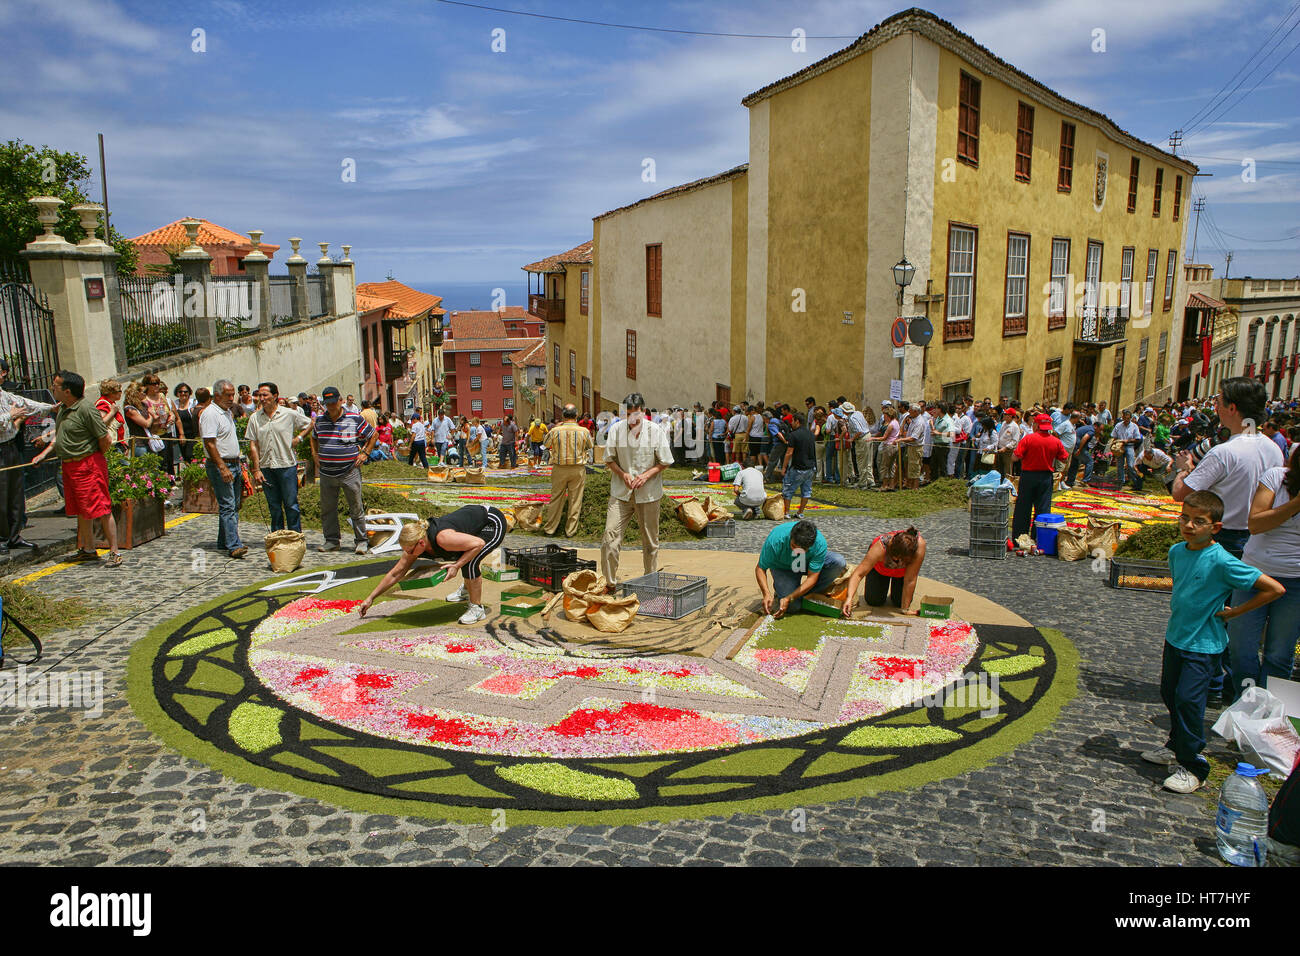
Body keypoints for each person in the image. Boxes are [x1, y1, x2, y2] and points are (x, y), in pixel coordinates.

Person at [1142, 490, 1283, 793]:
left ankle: (1194, 765)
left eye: (1199, 521)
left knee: (1189, 700)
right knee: (1170, 694)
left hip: (1204, 646)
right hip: (1176, 638)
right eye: (1185, 518)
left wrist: (1235, 612)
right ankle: (1175, 743)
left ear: (1215, 527)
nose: (1189, 525)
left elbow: (1274, 589)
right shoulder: (1177, 552)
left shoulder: (1222, 561)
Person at [1173, 378, 1283, 702]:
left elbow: (1183, 492)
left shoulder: (1225, 452)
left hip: (1226, 537)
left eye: (1219, 402)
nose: (1216, 407)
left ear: (1232, 409)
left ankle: (1213, 683)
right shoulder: (1273, 448)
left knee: (1213, 613)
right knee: (1244, 619)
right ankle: (1240, 687)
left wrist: (1183, 469)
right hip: (1261, 537)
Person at [356, 505, 508, 626]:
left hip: (491, 522)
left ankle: (477, 608)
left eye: (410, 550)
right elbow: (396, 572)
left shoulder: (443, 538)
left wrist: (456, 566)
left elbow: (478, 544)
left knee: (469, 563)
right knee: (464, 557)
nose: (409, 554)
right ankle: (468, 588)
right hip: (470, 522)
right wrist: (371, 598)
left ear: (421, 543)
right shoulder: (416, 545)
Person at [1231, 444, 1300, 693]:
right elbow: (1255, 524)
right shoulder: (1276, 478)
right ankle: (1245, 707)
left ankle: (1268, 720)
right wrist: (1296, 504)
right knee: (1241, 648)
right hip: (1255, 575)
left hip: (1296, 580)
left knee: (1280, 655)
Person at [600, 393, 673, 585]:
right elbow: (609, 459)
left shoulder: (655, 431)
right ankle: (610, 583)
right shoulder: (616, 430)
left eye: (636, 413)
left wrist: (646, 475)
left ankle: (650, 580)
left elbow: (665, 461)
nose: (633, 418)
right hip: (621, 492)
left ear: (643, 411)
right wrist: (623, 474)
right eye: (629, 413)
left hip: (648, 493)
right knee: (610, 536)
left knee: (650, 542)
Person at [52, 370, 120, 567]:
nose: (52, 389)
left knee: (101, 507)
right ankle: (88, 549)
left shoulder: (86, 409)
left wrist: (93, 457)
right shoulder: (64, 408)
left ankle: (114, 552)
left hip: (88, 464)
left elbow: (104, 438)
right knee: (82, 509)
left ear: (67, 391)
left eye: (55, 386)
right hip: (71, 465)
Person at [312, 386, 376, 554]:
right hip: (327, 472)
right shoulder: (320, 420)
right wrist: (315, 455)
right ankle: (332, 541)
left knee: (356, 507)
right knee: (327, 509)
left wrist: (365, 453)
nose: (331, 407)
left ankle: (361, 540)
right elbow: (314, 438)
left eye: (334, 402)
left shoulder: (354, 418)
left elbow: (373, 435)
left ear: (340, 401)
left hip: (349, 471)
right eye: (328, 404)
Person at [0, 359, 56, 551]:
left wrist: (50, 407)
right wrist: (11, 415)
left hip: (10, 447)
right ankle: (2, 537)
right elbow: (7, 417)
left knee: (15, 492)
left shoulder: (4, 395)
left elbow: (27, 405)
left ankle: (14, 535)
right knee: (1, 493)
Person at [246, 382, 312, 533]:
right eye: (259, 395)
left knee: (291, 505)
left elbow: (310, 423)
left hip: (286, 466)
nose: (261, 398)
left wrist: (299, 439)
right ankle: (278, 537)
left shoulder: (288, 414)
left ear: (275, 396)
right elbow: (253, 445)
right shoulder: (255, 418)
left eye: (265, 395)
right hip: (266, 468)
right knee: (274, 506)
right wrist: (256, 469)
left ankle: (295, 537)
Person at [755, 518, 847, 617]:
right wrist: (766, 594)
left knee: (838, 561)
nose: (796, 551)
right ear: (791, 537)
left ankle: (807, 595)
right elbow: (760, 568)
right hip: (783, 567)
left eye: (803, 549)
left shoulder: (819, 543)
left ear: (810, 545)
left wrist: (790, 597)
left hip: (807, 562)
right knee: (793, 607)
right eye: (793, 546)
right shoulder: (776, 539)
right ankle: (790, 594)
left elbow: (812, 577)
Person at [201, 380, 247, 559]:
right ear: (217, 395)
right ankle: (234, 545)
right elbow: (210, 443)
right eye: (228, 395)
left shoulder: (227, 412)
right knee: (228, 505)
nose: (231, 398)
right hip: (222, 464)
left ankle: (224, 540)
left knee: (233, 504)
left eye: (232, 394)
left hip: (233, 462)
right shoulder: (210, 414)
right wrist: (221, 466)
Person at [842, 526, 927, 614]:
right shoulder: (879, 547)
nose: (897, 562)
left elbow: (910, 580)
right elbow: (858, 574)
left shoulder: (919, 547)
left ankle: (896, 590)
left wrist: (905, 609)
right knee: (874, 601)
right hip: (880, 570)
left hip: (902, 575)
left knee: (899, 602)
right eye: (894, 559)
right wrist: (849, 598)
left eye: (900, 560)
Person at [1010, 413, 1069, 542]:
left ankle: (1020, 537)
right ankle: (1039, 537)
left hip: (1028, 476)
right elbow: (1064, 458)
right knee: (1042, 509)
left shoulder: (1028, 439)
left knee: (1023, 508)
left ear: (1036, 425)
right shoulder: (1056, 441)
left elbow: (1015, 457)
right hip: (1046, 477)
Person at [542, 404, 594, 538]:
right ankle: (570, 530)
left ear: (563, 416)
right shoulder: (584, 431)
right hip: (577, 469)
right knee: (575, 500)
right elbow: (589, 446)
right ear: (577, 416)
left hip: (559, 468)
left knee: (556, 498)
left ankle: (550, 529)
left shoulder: (555, 431)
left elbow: (546, 444)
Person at [780, 415, 818, 518]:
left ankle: (786, 512)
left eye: (792, 421)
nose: (791, 423)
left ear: (797, 421)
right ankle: (800, 512)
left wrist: (784, 467)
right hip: (810, 467)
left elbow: (789, 453)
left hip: (798, 467)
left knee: (788, 489)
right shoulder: (810, 434)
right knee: (806, 491)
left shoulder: (794, 435)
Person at [1110, 408, 1142, 487]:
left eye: (1128, 418)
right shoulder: (1118, 425)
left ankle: (1135, 481)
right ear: (1123, 417)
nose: (1126, 420)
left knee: (1130, 465)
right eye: (1125, 418)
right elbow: (1114, 436)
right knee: (1120, 464)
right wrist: (1114, 445)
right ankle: (1121, 481)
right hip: (1120, 446)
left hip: (1129, 446)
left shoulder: (1134, 426)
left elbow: (1137, 439)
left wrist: (1127, 441)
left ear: (1130, 418)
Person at [173, 382, 197, 463]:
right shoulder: (174, 404)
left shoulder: (194, 403)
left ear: (189, 393)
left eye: (185, 392)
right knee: (183, 457)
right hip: (179, 435)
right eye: (180, 392)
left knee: (190, 455)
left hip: (192, 435)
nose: (183, 393)